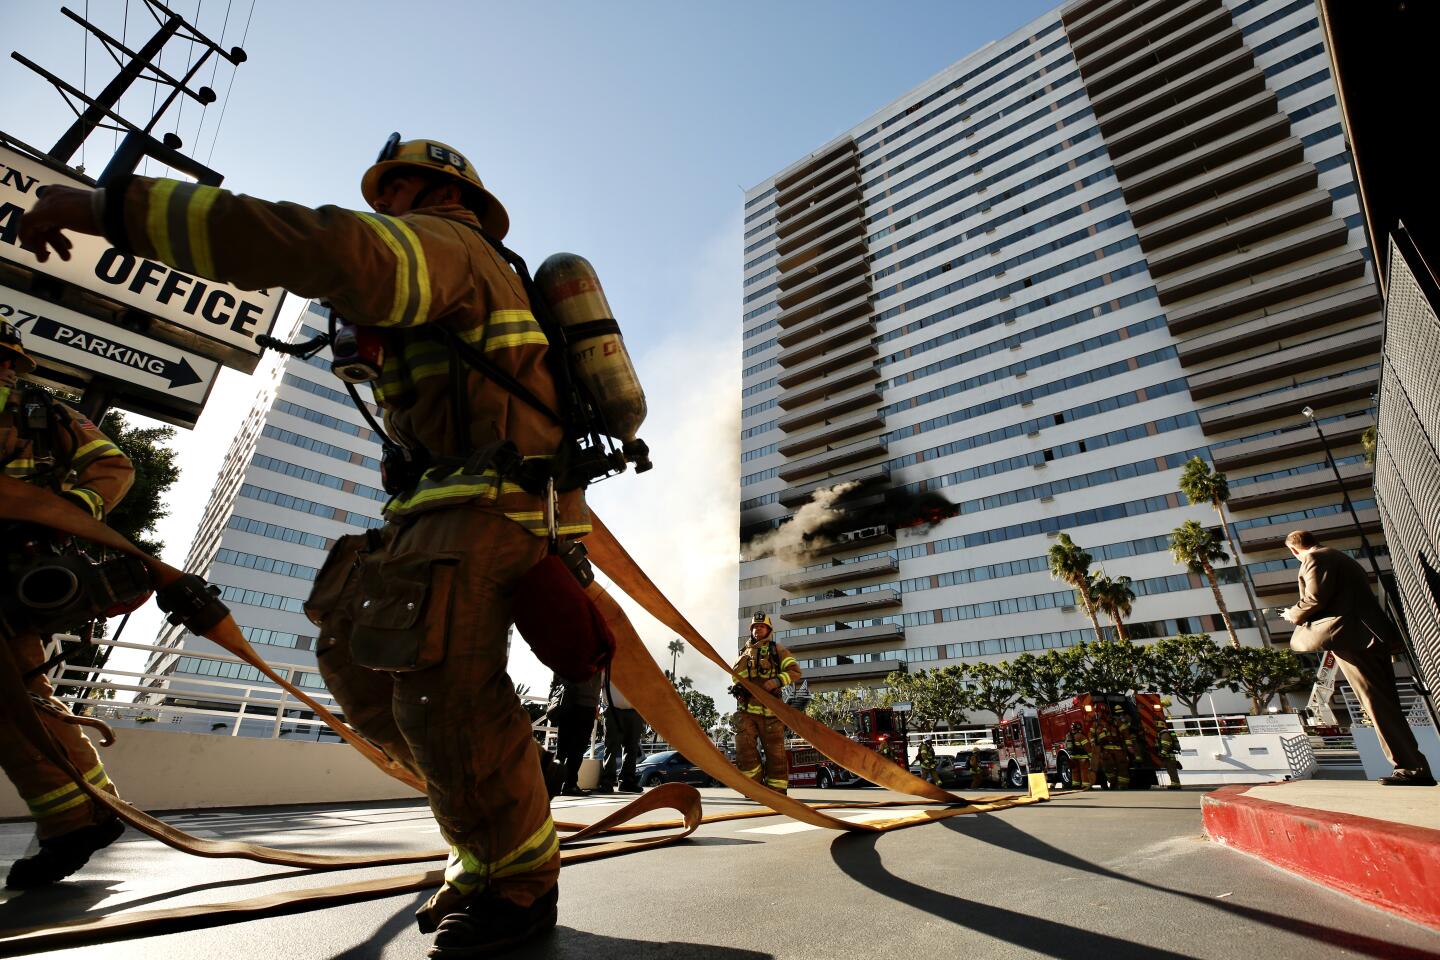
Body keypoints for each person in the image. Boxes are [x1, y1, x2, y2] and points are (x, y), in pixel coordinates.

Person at [19, 136, 593, 952]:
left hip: (481, 505)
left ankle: (516, 883)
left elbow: (321, 245)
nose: (379, 205)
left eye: (387, 191)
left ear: (420, 190)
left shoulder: (445, 242)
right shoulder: (465, 268)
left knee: (442, 693)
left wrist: (115, 210)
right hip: (431, 508)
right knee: (359, 666)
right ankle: (492, 830)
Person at [0, 322, 133, 888]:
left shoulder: (40, 410)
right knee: (20, 708)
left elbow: (112, 467)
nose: (6, 373)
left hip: (7, 576)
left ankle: (82, 816)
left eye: (7, 363)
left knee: (21, 709)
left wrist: (59, 512)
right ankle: (84, 816)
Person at [1282, 529, 1434, 786]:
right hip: (1369, 635)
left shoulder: (1315, 558)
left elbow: (1315, 598)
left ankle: (1411, 769)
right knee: (1383, 702)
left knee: (1375, 702)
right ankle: (1413, 766)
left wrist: (1292, 614)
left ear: (1294, 550)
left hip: (1353, 638)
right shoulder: (1341, 558)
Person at [731, 613, 801, 793]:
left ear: (768, 630)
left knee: (775, 754)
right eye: (754, 627)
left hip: (771, 713)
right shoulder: (743, 652)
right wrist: (738, 688)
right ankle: (753, 786)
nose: (757, 629)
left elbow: (795, 671)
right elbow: (736, 677)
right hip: (747, 710)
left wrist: (776, 681)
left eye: (761, 626)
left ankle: (777, 790)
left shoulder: (777, 649)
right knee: (743, 747)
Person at [597, 668, 643, 794]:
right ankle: (607, 782)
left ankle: (627, 781)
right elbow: (599, 683)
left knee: (631, 748)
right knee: (611, 746)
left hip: (635, 710)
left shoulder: (640, 664)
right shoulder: (608, 663)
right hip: (612, 709)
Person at [555, 673, 601, 796]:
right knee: (576, 749)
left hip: (569, 700)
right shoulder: (598, 656)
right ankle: (569, 785)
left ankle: (555, 783)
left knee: (563, 748)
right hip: (584, 703)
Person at [1095, 707, 1130, 790]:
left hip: (1112, 750)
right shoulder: (1115, 722)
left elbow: (1125, 733)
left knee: (1119, 767)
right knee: (1111, 769)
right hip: (1112, 750)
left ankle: (1120, 784)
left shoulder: (1101, 724)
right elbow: (1126, 733)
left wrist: (1129, 746)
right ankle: (1116, 784)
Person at [1065, 721, 1093, 790]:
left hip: (1073, 757)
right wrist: (1091, 755)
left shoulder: (1068, 735)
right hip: (1082, 757)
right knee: (1084, 771)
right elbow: (1087, 747)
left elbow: (1066, 746)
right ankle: (1085, 785)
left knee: (1075, 771)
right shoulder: (1081, 736)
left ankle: (1075, 785)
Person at [1156, 722, 1183, 791]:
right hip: (1169, 757)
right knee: (1171, 771)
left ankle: (1176, 785)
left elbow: (1167, 745)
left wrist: (1162, 753)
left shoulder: (1164, 734)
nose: (1156, 728)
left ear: (1160, 727)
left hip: (1169, 757)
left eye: (1157, 727)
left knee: (1172, 771)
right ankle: (1175, 784)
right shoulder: (1164, 733)